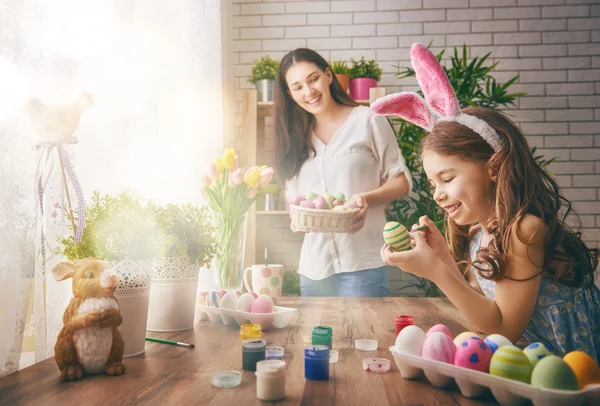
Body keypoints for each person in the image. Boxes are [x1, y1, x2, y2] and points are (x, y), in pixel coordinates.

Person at [376, 43, 600, 362]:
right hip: (539, 367)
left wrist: (438, 273)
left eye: (448, 178)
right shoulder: (479, 235)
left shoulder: (526, 230)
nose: (437, 193)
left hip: (579, 372)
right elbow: (483, 314)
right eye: (433, 183)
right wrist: (442, 261)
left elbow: (503, 329)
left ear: (493, 167)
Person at [273, 48, 412, 297]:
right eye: (298, 87)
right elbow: (293, 199)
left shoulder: (367, 120)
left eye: (313, 79)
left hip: (363, 263)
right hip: (314, 269)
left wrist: (366, 199)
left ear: (328, 75)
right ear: (289, 94)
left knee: (363, 336)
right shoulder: (293, 139)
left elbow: (401, 181)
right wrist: (296, 219)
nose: (309, 92)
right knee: (317, 338)